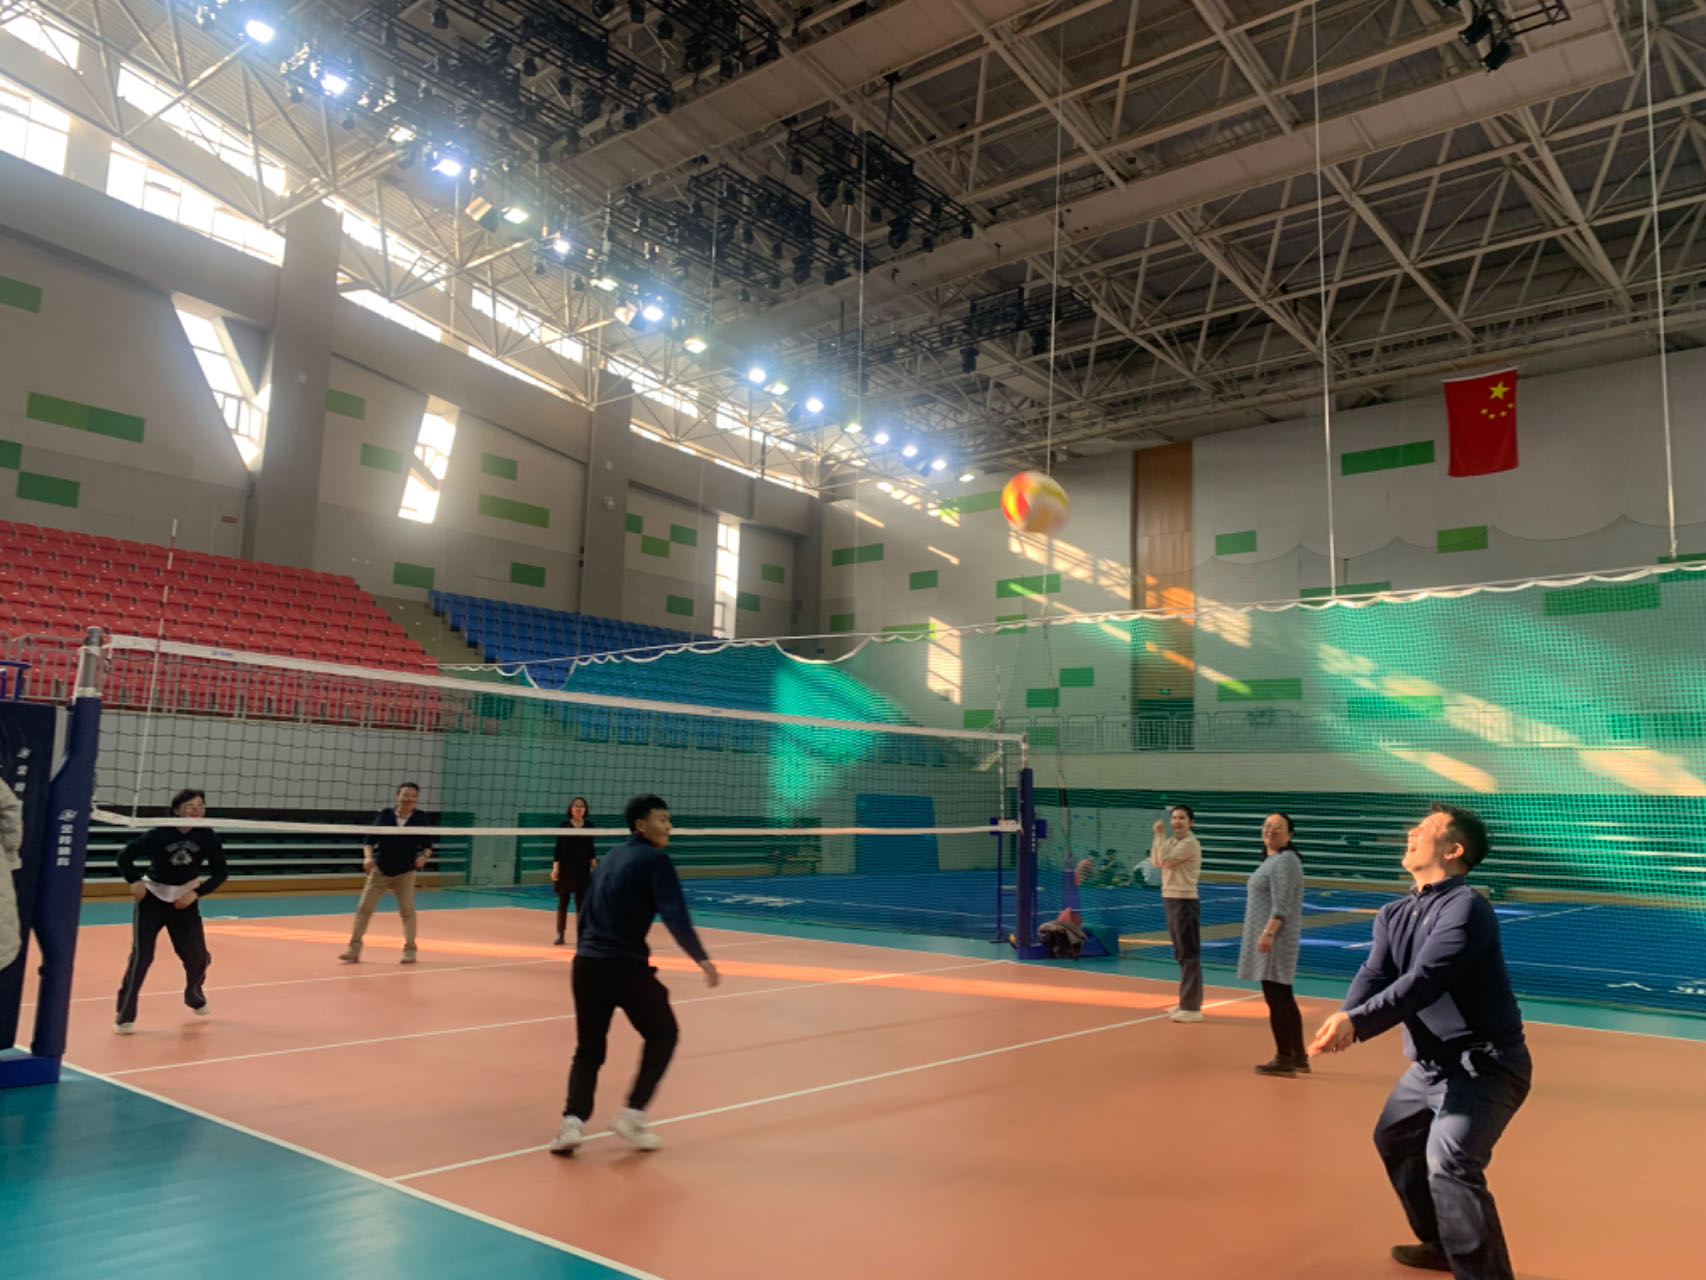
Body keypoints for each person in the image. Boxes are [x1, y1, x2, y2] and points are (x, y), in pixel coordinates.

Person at [1309, 804, 1530, 1280]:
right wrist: (1345, 1015)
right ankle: (1442, 1244)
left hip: (1484, 1068)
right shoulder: (1394, 913)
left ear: (1453, 850)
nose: (1412, 832)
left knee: (1450, 1161)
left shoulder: (1466, 907)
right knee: (1395, 1138)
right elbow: (1375, 973)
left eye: (1426, 829)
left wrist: (1358, 1024)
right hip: (1428, 1068)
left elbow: (1425, 981)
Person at [549, 794, 719, 1155]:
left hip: (586, 964)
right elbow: (674, 914)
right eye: (663, 819)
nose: (669, 826)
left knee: (589, 1049)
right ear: (641, 825)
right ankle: (632, 1115)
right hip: (624, 965)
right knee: (664, 1033)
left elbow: (586, 913)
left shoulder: (610, 858)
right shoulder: (656, 861)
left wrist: (587, 950)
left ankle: (571, 1124)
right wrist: (701, 958)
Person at [114, 789, 227, 1033]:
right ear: (177, 810)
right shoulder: (159, 833)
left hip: (184, 903)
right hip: (153, 900)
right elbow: (124, 857)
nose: (196, 810)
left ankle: (194, 994)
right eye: (190, 806)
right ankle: (125, 1016)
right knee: (142, 957)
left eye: (200, 806)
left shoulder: (207, 836)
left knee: (198, 957)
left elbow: (221, 872)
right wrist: (134, 880)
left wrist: (196, 893)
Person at [1238, 811, 1307, 1075]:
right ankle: (1298, 1056)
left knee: (1277, 999)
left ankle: (1284, 1057)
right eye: (1267, 825)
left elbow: (1282, 903)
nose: (1270, 830)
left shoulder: (1284, 861)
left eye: (1278, 827)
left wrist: (1268, 932)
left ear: (1290, 835)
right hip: (1275, 938)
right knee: (1284, 996)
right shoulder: (1276, 860)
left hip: (1276, 939)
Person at [340, 782, 434, 965]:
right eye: (405, 794)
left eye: (413, 796)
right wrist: (368, 858)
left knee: (407, 912)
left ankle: (410, 951)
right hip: (380, 870)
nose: (409, 799)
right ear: (398, 796)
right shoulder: (385, 815)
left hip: (405, 872)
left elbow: (428, 846)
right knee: (364, 908)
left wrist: (424, 857)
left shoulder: (420, 818)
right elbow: (369, 841)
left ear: (416, 799)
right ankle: (353, 950)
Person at [1150, 803, 1202, 1022]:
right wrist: (1159, 838)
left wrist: (1160, 835)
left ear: (1191, 822)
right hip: (1170, 898)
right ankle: (1185, 1002)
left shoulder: (1190, 843)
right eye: (1174, 818)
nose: (1177, 822)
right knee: (1181, 952)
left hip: (1184, 900)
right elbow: (1155, 860)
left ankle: (1192, 1008)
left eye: (1182, 818)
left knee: (1188, 954)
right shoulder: (1171, 842)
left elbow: (1164, 860)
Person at [552, 796, 596, 946]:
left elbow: (591, 850)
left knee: (581, 905)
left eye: (581, 806)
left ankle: (581, 936)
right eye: (576, 806)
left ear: (585, 809)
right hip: (565, 870)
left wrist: (596, 868)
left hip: (582, 870)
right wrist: (555, 869)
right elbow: (558, 850)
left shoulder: (589, 826)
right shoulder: (563, 826)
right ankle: (560, 935)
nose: (578, 808)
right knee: (562, 903)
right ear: (571, 809)